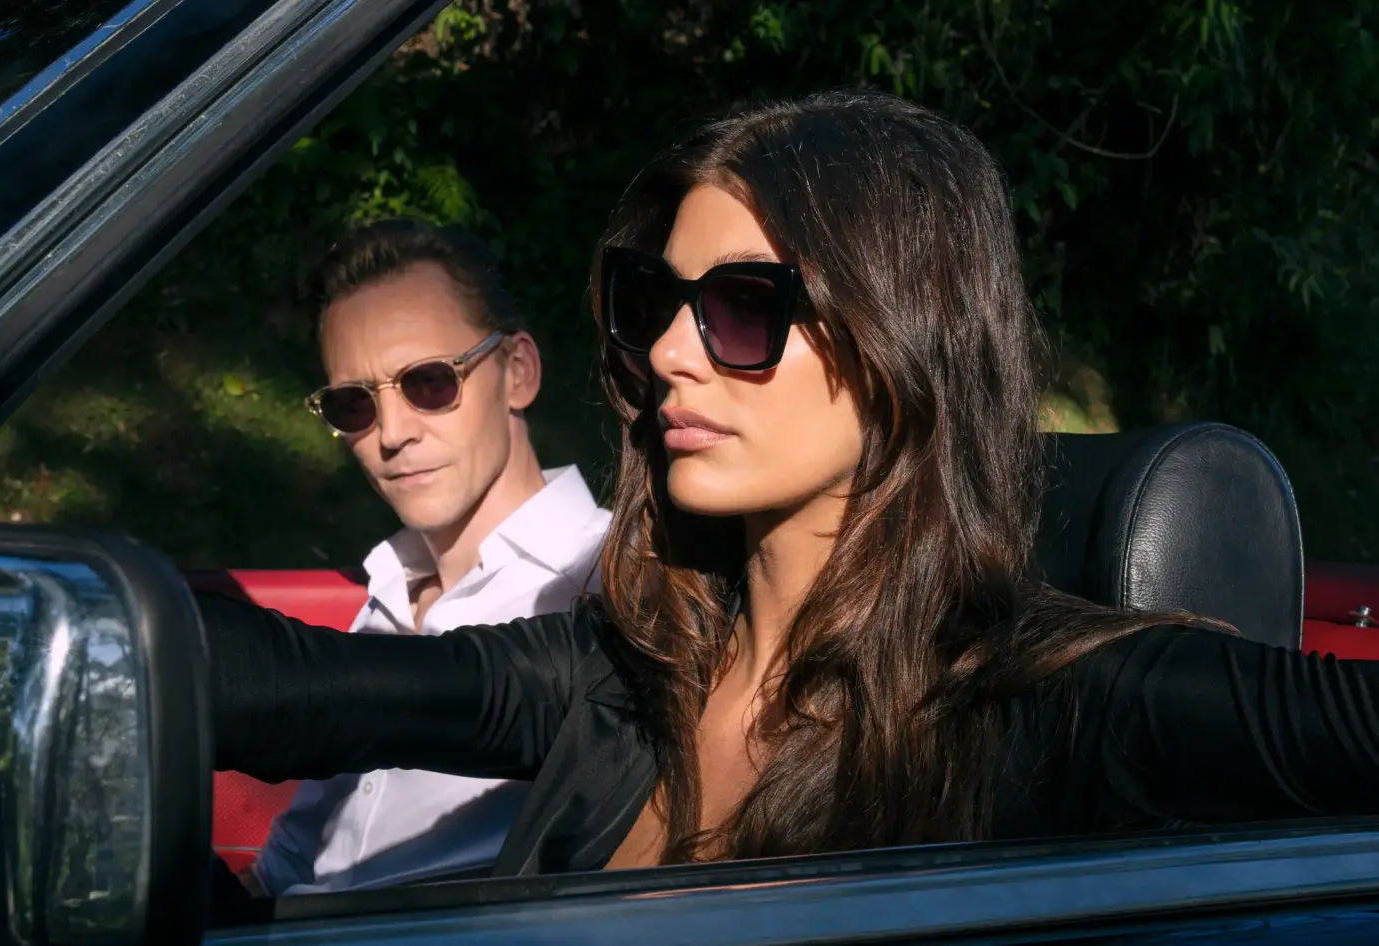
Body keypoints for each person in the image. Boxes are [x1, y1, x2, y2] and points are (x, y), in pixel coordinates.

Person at [199, 91, 1379, 884]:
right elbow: (302, 689)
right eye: (654, 303)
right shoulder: (620, 674)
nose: (670, 352)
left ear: (901, 334)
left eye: (742, 306)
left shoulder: (1061, 702)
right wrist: (107, 629)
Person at [245, 219, 610, 894]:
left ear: (518, 373)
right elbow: (285, 865)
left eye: (430, 382)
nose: (391, 433)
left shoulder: (613, 586)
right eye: (354, 403)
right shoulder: (385, 595)